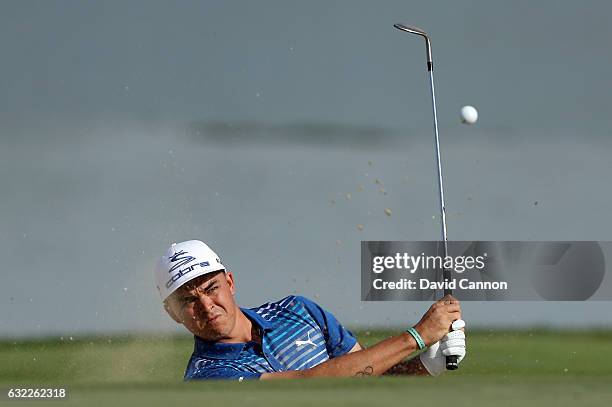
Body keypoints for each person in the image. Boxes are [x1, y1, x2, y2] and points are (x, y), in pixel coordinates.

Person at [154, 240, 466, 380]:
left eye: (211, 289)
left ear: (230, 282)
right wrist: (416, 337)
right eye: (188, 301)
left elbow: (366, 379)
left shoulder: (298, 311)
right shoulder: (209, 378)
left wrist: (425, 365)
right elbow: (307, 386)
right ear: (172, 313)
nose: (207, 306)